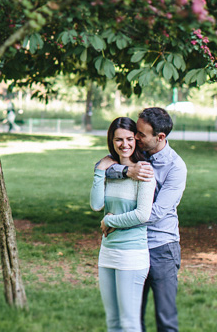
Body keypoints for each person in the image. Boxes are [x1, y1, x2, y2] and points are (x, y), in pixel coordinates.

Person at [103, 107, 187, 332]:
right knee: (131, 317)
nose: (134, 138)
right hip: (133, 247)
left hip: (161, 248)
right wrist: (126, 172)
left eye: (140, 134)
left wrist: (115, 220)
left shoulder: (176, 167)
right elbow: (102, 169)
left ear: (160, 137)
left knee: (165, 319)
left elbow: (156, 213)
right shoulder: (135, 154)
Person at [90, 116, 156, 332]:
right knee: (113, 322)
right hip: (108, 252)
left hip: (132, 254)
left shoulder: (144, 171)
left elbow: (142, 215)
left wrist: (111, 221)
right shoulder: (111, 171)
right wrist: (100, 170)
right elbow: (96, 204)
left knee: (128, 323)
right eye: (119, 139)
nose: (124, 144)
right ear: (112, 141)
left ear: (136, 140)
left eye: (129, 138)